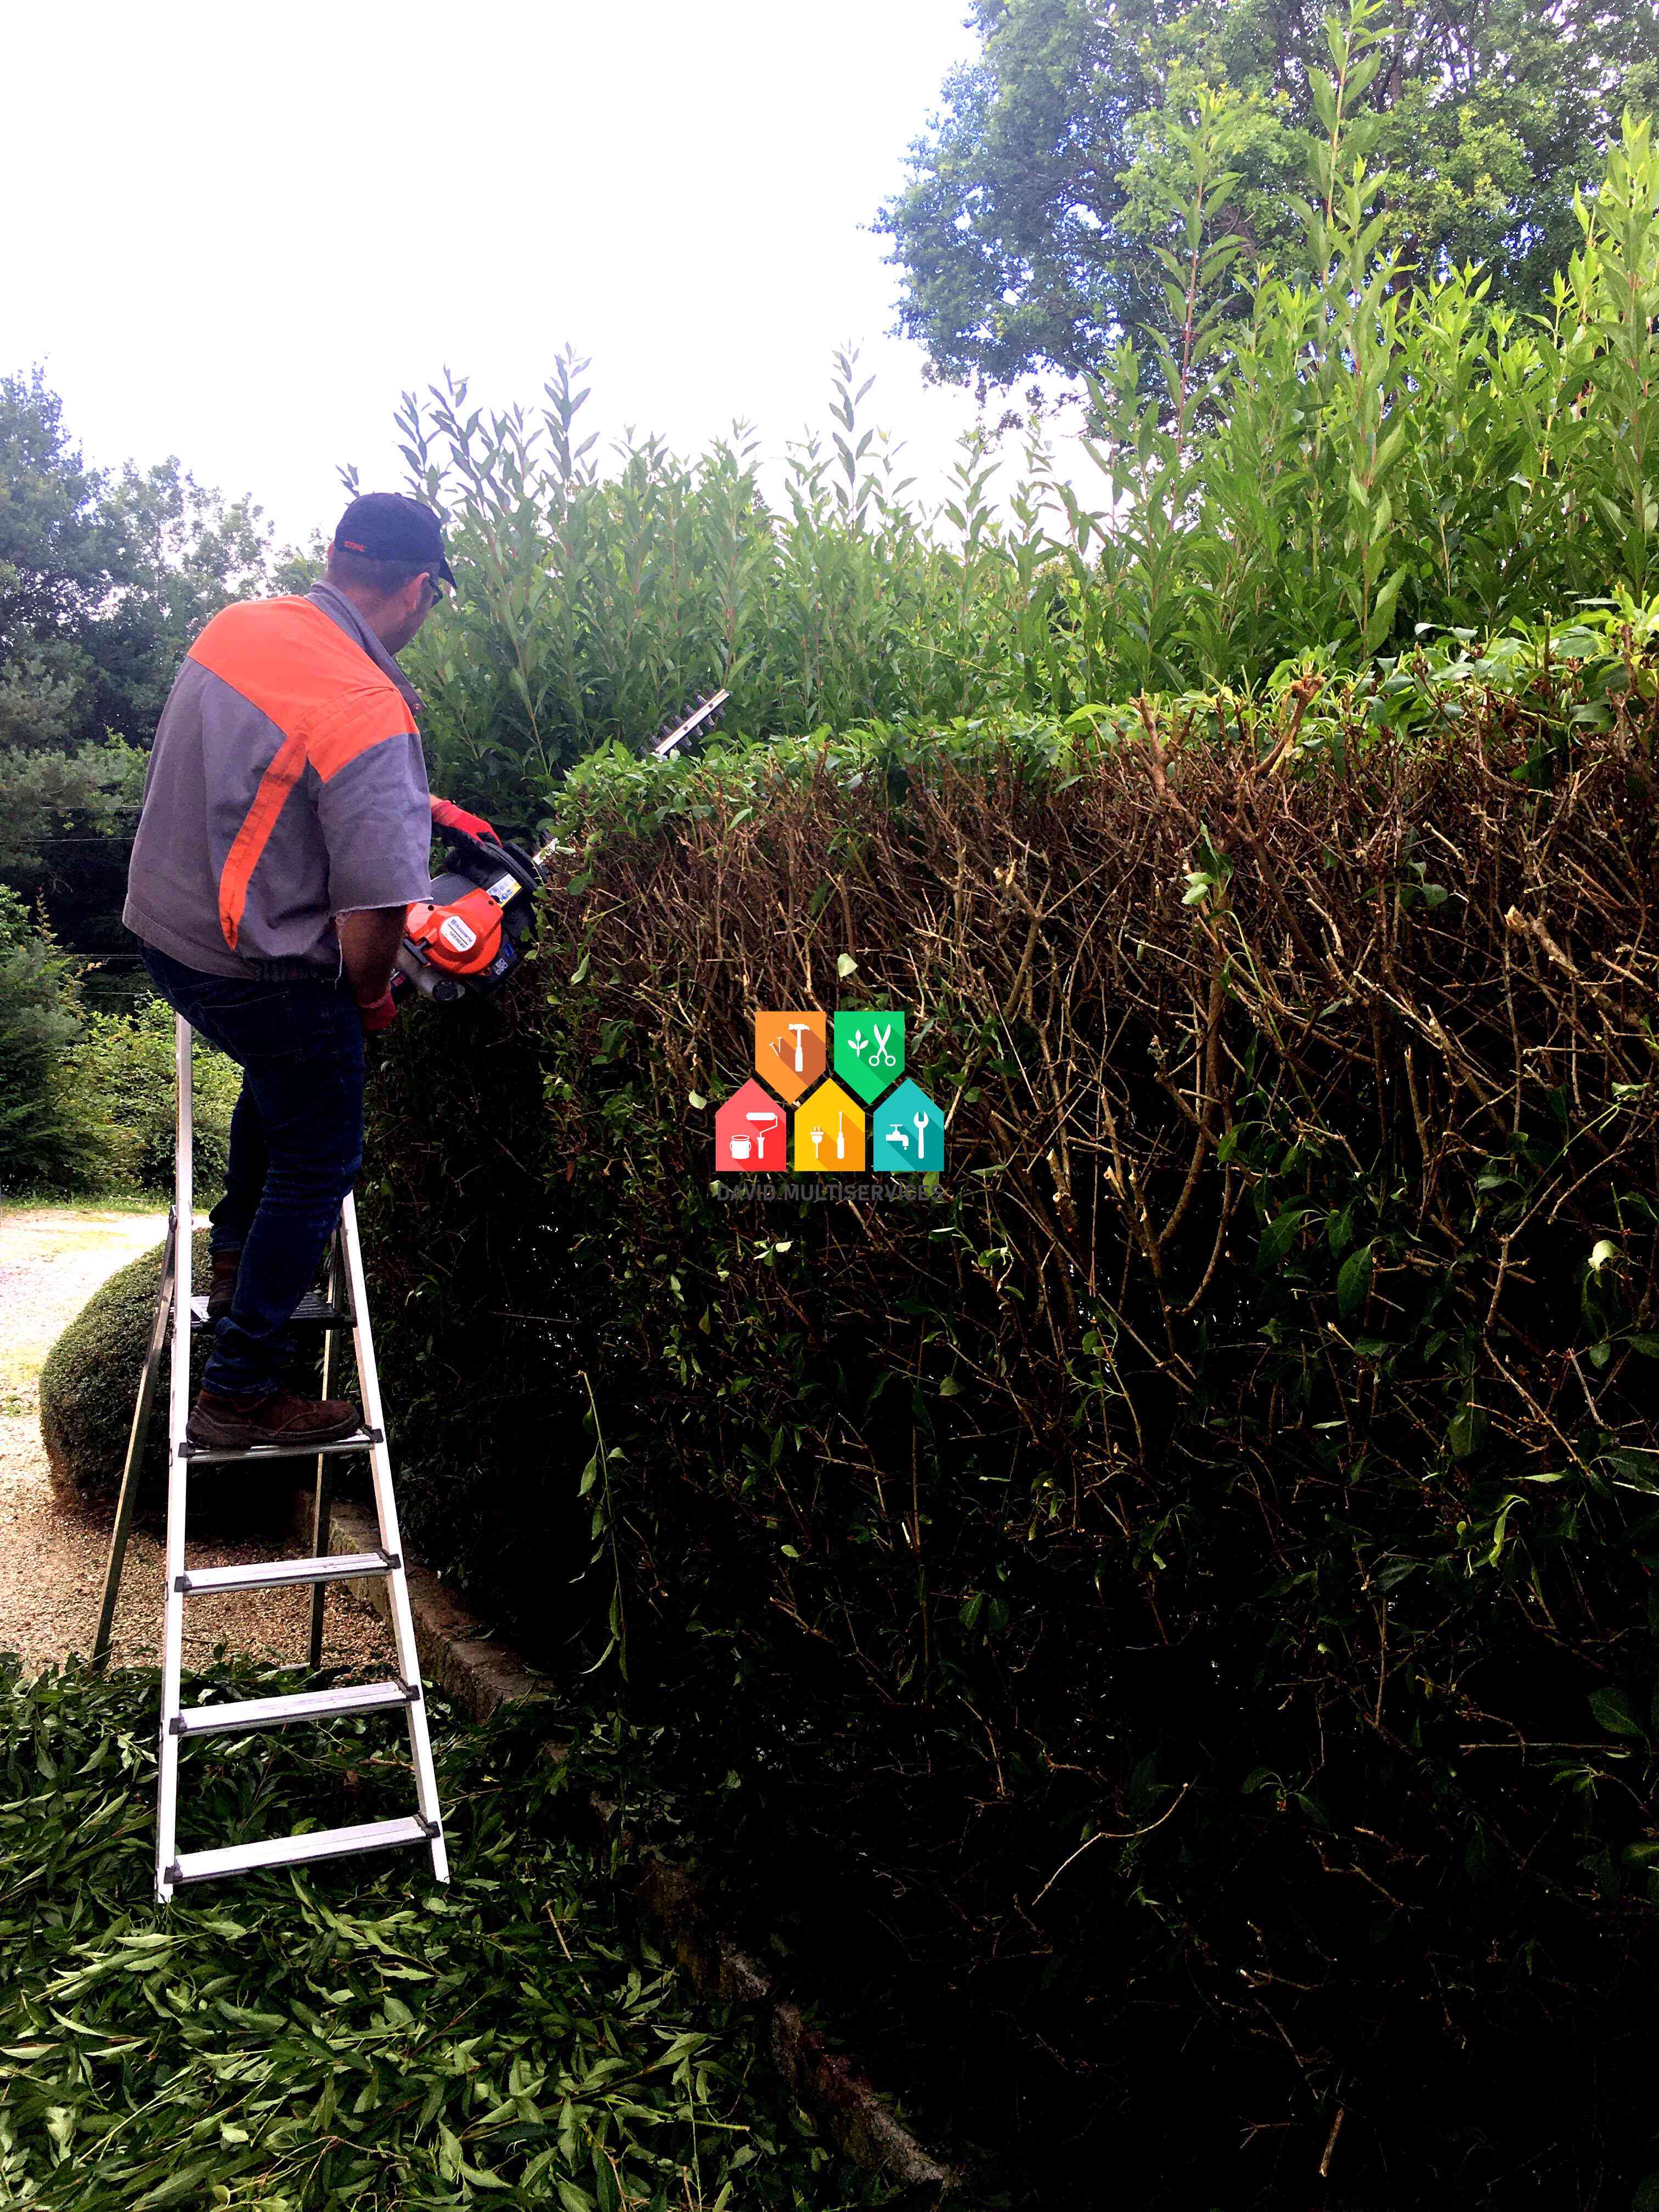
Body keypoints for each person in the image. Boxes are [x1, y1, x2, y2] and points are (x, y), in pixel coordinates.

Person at [123, 493, 496, 1452]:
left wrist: (415, 806)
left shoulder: (239, 627)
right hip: (261, 974)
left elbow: (267, 778)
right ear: (420, 589)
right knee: (322, 1157)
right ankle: (240, 1393)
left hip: (171, 940)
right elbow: (375, 918)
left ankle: (234, 1259)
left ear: (336, 556)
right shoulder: (370, 704)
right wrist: (371, 996)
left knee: (280, 1091)